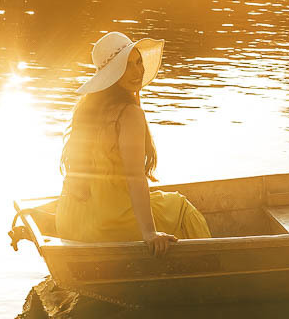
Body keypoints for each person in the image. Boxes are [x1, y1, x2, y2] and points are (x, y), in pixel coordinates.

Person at [56, 32, 211, 254]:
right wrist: (149, 233)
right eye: (127, 65)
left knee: (160, 201)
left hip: (72, 220)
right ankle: (207, 264)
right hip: (108, 225)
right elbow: (135, 177)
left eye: (138, 62)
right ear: (113, 74)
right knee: (180, 207)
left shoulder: (87, 109)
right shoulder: (129, 114)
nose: (138, 71)